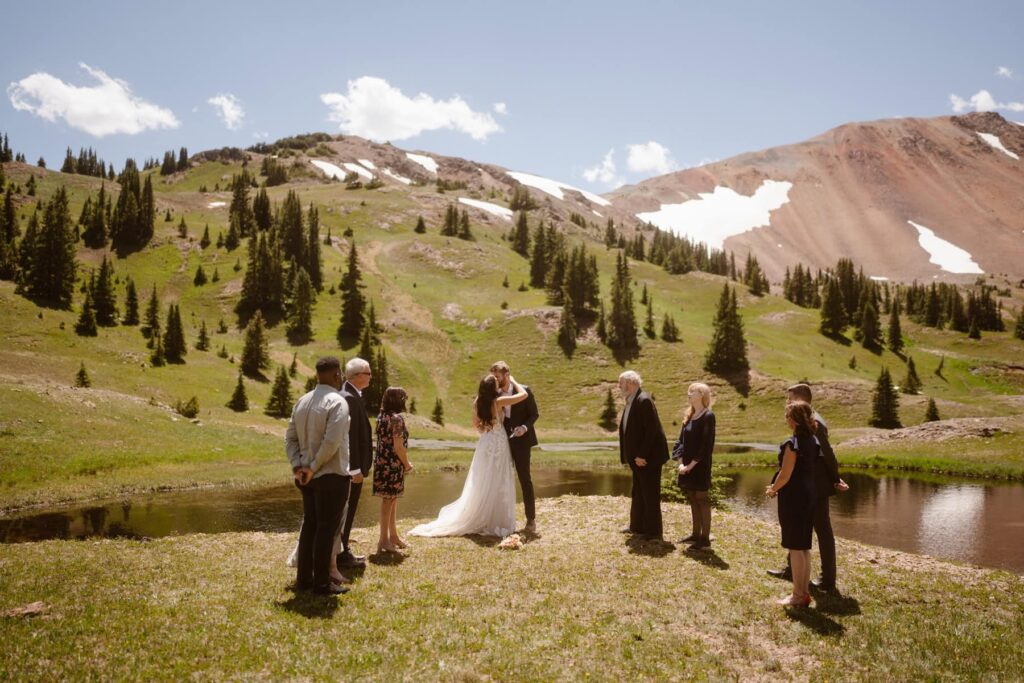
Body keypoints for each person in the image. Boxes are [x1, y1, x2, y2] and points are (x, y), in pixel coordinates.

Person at [409, 374, 528, 538]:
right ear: (493, 388)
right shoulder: (498, 402)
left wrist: (486, 432)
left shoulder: (477, 402)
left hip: (485, 442)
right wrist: (514, 381)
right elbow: (524, 395)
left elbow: (476, 424)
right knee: (498, 478)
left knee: (482, 479)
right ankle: (496, 519)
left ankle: (482, 514)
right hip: (499, 442)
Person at [285, 356, 357, 596]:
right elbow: (332, 442)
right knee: (326, 528)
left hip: (307, 477)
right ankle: (323, 583)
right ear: (337, 375)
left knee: (310, 526)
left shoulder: (302, 401)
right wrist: (313, 467)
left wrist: (299, 467)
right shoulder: (337, 402)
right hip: (331, 475)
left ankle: (304, 580)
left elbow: (290, 439)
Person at [766, 383, 848, 592]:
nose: (787, 403)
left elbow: (827, 452)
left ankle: (828, 579)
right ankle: (792, 569)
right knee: (799, 525)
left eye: (790, 399)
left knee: (822, 529)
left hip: (816, 485)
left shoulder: (815, 421)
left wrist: (835, 477)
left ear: (801, 399)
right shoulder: (805, 419)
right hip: (808, 483)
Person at [765, 400, 819, 606]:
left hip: (794, 498)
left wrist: (772, 489)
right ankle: (804, 593)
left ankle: (797, 595)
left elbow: (785, 474)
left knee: (795, 548)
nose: (785, 420)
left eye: (787, 416)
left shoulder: (792, 444)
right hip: (809, 495)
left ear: (794, 420)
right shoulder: (813, 441)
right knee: (804, 546)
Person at [617, 371, 669, 541]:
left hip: (648, 458)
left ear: (631, 383)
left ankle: (654, 532)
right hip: (638, 459)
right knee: (638, 491)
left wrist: (641, 455)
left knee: (650, 493)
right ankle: (637, 526)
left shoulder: (644, 400)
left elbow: (652, 431)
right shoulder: (632, 400)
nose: (619, 386)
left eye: (621, 382)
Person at [491, 361, 540, 533]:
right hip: (502, 440)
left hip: (522, 441)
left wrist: (524, 428)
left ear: (506, 374)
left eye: (497, 376)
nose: (495, 379)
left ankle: (531, 520)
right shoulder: (495, 394)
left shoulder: (524, 390)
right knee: (500, 478)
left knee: (524, 479)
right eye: (494, 376)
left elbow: (534, 414)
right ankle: (500, 520)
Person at [336, 358, 373, 570]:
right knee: (346, 510)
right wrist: (355, 469)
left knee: (348, 510)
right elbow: (349, 437)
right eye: (368, 373)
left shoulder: (352, 394)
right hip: (352, 468)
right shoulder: (348, 397)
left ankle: (343, 547)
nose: (371, 377)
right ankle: (342, 553)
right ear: (357, 376)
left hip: (354, 467)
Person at [672, 382, 715, 550]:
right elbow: (680, 442)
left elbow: (706, 445)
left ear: (702, 395)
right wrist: (681, 462)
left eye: (693, 391)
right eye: (689, 391)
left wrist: (691, 465)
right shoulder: (689, 415)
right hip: (686, 465)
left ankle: (705, 539)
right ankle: (695, 534)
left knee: (701, 499)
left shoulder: (708, 416)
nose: (689, 394)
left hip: (700, 466)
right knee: (692, 497)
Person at [373, 387, 412, 553]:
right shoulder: (396, 419)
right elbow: (398, 447)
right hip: (392, 465)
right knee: (388, 501)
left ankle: (393, 536)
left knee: (391, 499)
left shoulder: (381, 417)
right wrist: (407, 464)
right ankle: (383, 540)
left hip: (382, 463)